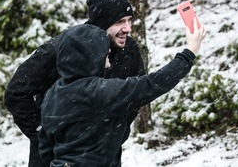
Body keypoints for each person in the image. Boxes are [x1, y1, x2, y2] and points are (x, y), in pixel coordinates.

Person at [4, 0, 145, 167]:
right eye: (119, 22)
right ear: (101, 23)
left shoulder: (128, 50)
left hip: (105, 157)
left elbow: (135, 93)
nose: (127, 28)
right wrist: (46, 134)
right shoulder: (63, 47)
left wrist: (117, 130)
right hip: (55, 159)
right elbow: (16, 93)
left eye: (129, 20)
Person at [38, 19, 206, 167]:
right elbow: (153, 84)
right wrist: (189, 52)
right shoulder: (97, 92)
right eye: (102, 48)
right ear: (89, 55)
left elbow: (45, 147)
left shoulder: (54, 92)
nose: (108, 51)